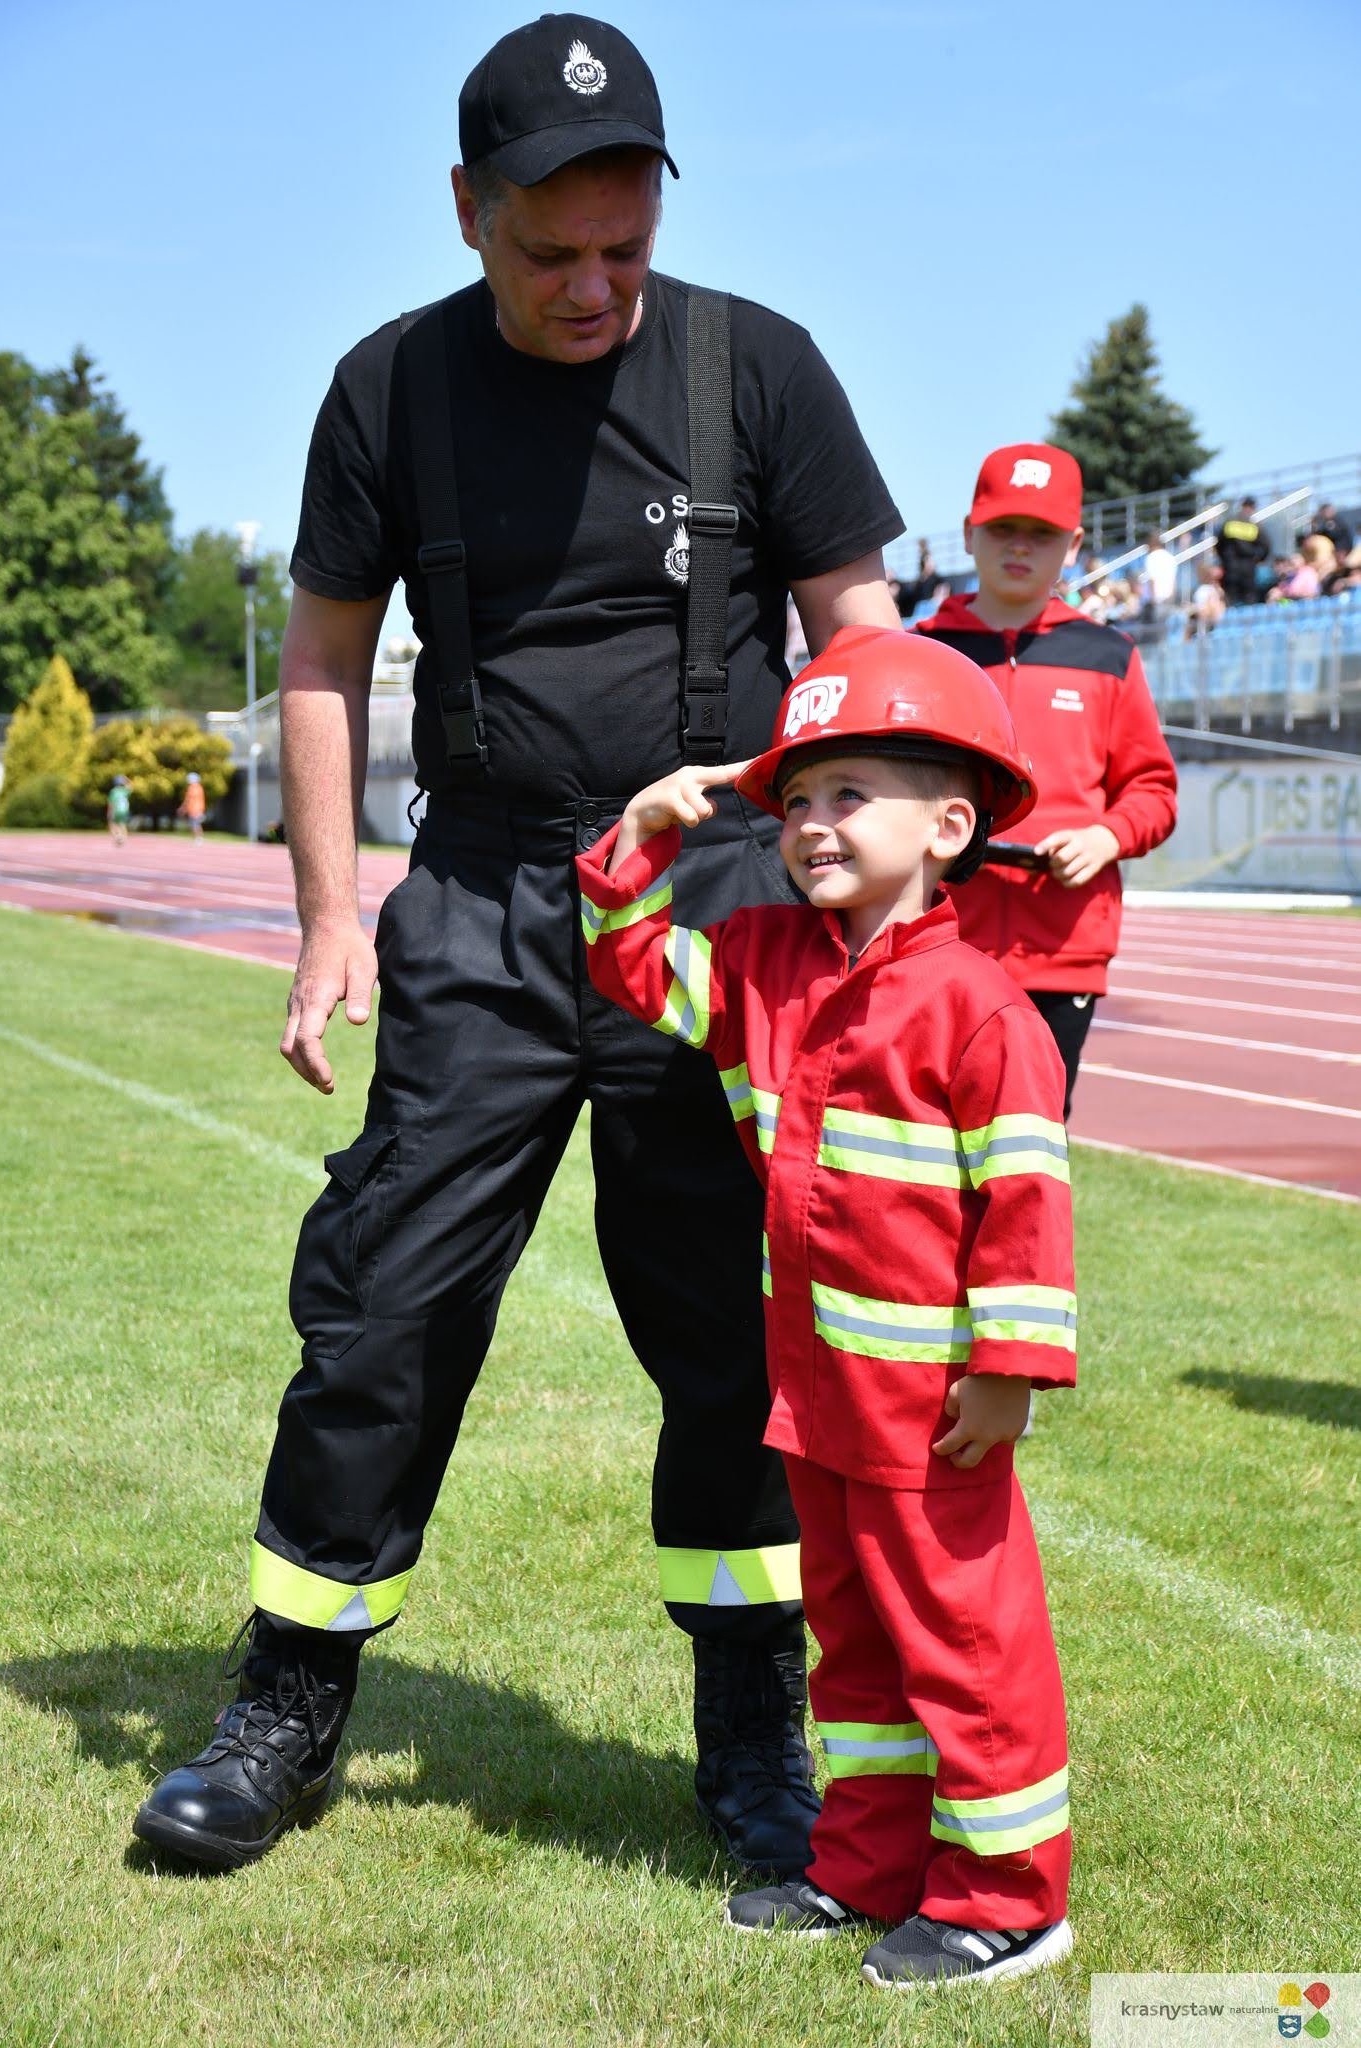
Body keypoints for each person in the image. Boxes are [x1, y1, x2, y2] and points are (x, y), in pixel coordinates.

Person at [132, 13, 903, 1875]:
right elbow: (322, 662)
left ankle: (753, 1735)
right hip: (480, 894)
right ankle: (288, 1703)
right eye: (553, 251)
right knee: (384, 1304)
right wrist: (332, 917)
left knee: (729, 1329)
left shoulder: (758, 368)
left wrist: (873, 893)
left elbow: (865, 639)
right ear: (466, 208)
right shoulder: (387, 389)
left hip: (712, 897)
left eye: (626, 247)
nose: (594, 286)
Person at [577, 627, 1076, 1990]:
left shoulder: (981, 1008)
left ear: (950, 826)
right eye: (795, 798)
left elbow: (1026, 1202)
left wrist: (1009, 1366)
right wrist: (639, 839)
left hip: (931, 1413)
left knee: (963, 1647)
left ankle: (1008, 1899)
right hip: (817, 1398)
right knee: (851, 1649)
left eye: (850, 793)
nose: (810, 823)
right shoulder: (758, 959)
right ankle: (866, 1864)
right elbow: (631, 970)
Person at [913, 444, 1177, 1117]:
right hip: (931, 934)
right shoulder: (923, 651)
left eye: (1042, 532)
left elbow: (1152, 790)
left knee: (1032, 1142)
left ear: (1074, 545)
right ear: (969, 532)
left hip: (1062, 946)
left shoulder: (1108, 655)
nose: (1020, 546)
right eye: (1003, 527)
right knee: (923, 1135)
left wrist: (1106, 837)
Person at [1216, 496, 1270, 606]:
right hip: (1248, 566)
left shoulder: (1230, 523)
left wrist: (1224, 559)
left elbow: (1219, 544)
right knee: (1249, 598)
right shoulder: (1254, 526)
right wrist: (1259, 559)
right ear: (1253, 508)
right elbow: (1266, 546)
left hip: (1230, 566)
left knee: (1230, 598)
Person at [177, 771, 206, 841]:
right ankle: (199, 838)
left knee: (194, 824)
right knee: (197, 824)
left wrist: (183, 808)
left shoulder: (192, 788)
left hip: (194, 809)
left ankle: (198, 838)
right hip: (198, 809)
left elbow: (188, 799)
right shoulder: (199, 787)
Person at [106, 774, 131, 847]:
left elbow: (111, 803)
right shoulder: (125, 791)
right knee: (122, 824)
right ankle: (123, 838)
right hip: (125, 810)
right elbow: (130, 785)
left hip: (116, 810)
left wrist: (109, 812)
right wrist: (125, 778)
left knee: (112, 823)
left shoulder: (113, 791)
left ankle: (117, 836)